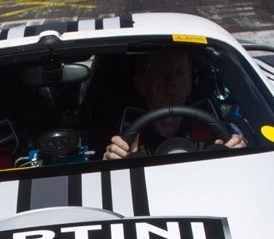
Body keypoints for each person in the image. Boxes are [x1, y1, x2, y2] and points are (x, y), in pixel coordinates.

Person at [103, 48, 246, 160]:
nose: (172, 83)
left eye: (179, 73)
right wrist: (113, 162)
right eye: (161, 74)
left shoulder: (213, 129)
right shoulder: (129, 138)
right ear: (141, 84)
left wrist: (237, 152)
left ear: (189, 83)